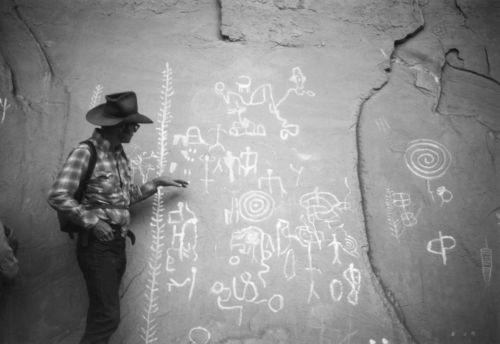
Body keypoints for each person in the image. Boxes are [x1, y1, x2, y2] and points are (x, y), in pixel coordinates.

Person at [47, 91, 188, 344]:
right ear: (118, 126)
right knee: (108, 318)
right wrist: (93, 222)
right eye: (133, 125)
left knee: (102, 314)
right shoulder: (85, 152)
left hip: (115, 245)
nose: (135, 129)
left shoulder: (119, 156)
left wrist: (155, 183)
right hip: (96, 246)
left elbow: (124, 200)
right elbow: (58, 195)